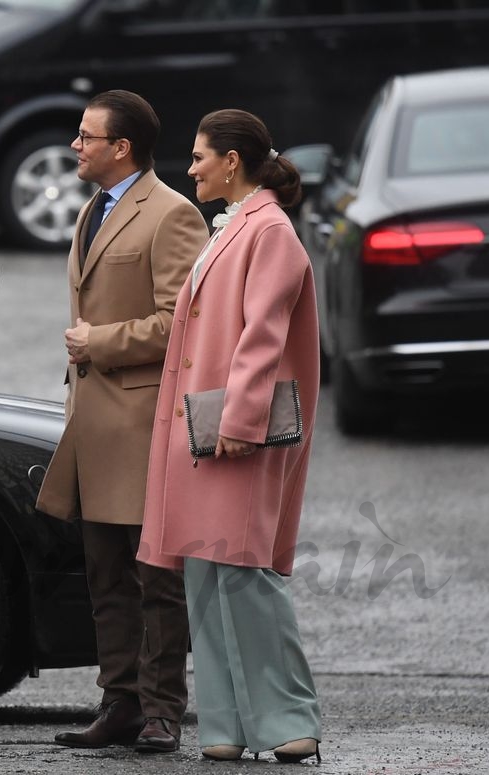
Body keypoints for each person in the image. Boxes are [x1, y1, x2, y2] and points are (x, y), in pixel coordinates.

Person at [138, 108, 323, 764]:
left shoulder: (267, 229)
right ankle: (226, 726)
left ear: (231, 162)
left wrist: (241, 423)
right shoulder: (238, 226)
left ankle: (286, 722)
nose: (190, 168)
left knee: (247, 573)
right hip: (208, 430)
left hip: (236, 431)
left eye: (198, 157)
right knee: (208, 576)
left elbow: (263, 333)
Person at [35, 90, 209, 754]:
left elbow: (180, 321)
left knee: (156, 576)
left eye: (86, 137)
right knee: (105, 573)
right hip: (95, 423)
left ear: (121, 148)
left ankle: (164, 708)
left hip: (143, 423)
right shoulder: (91, 208)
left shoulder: (172, 215)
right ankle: (121, 702)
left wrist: (99, 342)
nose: (75, 146)